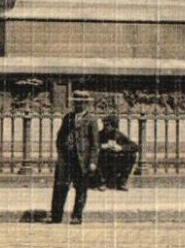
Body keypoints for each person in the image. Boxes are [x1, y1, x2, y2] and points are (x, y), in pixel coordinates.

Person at [50, 91, 100, 223]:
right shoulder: (68, 118)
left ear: (86, 104)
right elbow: (60, 137)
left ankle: (77, 216)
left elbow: (95, 143)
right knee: (60, 187)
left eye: (82, 103)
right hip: (67, 159)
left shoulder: (91, 120)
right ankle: (56, 216)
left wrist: (93, 162)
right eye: (76, 102)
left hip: (82, 160)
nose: (79, 105)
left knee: (81, 188)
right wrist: (61, 152)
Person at [95, 117, 140, 190]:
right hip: (103, 162)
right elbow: (90, 145)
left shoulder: (118, 135)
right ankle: (101, 182)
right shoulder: (99, 135)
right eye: (104, 125)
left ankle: (122, 182)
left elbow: (135, 146)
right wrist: (101, 146)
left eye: (108, 126)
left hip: (116, 161)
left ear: (114, 127)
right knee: (100, 155)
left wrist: (121, 147)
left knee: (132, 156)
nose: (106, 128)